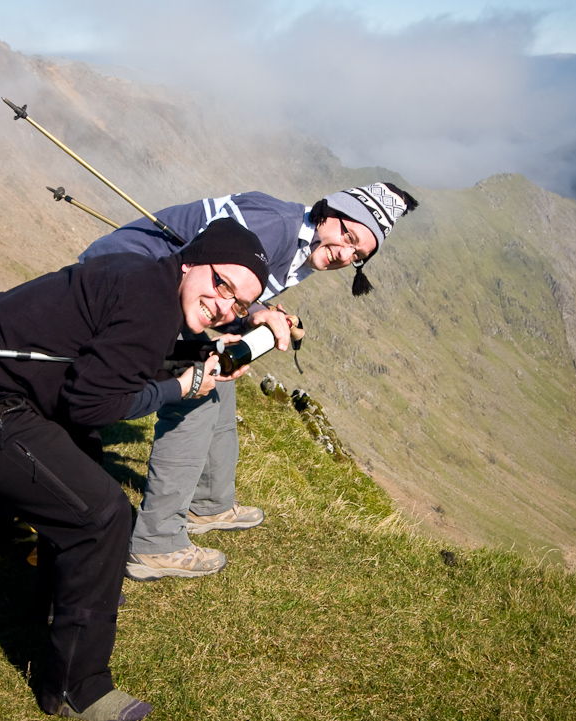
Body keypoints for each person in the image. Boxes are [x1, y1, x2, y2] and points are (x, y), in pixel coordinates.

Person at [0, 218, 270, 721]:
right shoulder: (147, 299)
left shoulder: (153, 283)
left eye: (240, 303)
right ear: (191, 261)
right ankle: (79, 689)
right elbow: (91, 403)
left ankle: (59, 603)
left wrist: (204, 354)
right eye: (221, 284)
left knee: (82, 469)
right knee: (99, 514)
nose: (225, 305)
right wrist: (180, 388)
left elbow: (127, 355)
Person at [79, 183, 418, 581]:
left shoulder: (301, 244)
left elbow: (229, 289)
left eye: (358, 255)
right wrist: (255, 311)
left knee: (218, 376)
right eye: (348, 236)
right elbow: (215, 269)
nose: (345, 254)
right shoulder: (275, 227)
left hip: (156, 293)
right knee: (199, 390)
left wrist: (259, 315)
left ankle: (209, 503)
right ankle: (156, 542)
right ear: (330, 213)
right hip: (120, 292)